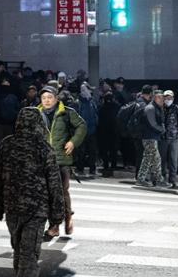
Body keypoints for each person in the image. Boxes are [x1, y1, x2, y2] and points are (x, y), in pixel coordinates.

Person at [0, 107, 64, 277]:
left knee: (20, 251)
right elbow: (54, 184)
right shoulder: (44, 148)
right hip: (36, 210)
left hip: (12, 209)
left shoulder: (7, 145)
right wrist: (57, 217)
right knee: (29, 255)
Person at [37, 85, 87, 238]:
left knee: (61, 193)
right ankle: (54, 226)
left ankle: (67, 217)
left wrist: (73, 142)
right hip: (43, 161)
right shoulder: (35, 114)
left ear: (56, 98)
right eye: (44, 98)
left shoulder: (66, 113)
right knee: (46, 195)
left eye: (49, 97)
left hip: (62, 160)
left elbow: (82, 126)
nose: (46, 101)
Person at [138, 90, 167, 187]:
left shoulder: (157, 108)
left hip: (152, 137)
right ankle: (159, 180)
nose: (163, 99)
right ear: (155, 97)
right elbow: (153, 124)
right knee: (156, 159)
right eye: (160, 97)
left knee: (147, 158)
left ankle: (141, 178)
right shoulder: (150, 108)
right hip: (149, 137)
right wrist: (162, 129)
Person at [160, 90, 178, 188]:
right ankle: (161, 179)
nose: (168, 99)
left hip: (174, 138)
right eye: (166, 98)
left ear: (173, 98)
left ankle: (172, 180)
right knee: (162, 160)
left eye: (170, 98)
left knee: (173, 160)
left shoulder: (177, 108)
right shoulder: (160, 108)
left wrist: (177, 131)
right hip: (163, 138)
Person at [77, 82, 98, 177]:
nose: (89, 91)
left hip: (92, 130)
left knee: (92, 151)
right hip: (81, 131)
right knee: (81, 151)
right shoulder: (78, 102)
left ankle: (92, 169)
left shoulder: (92, 101)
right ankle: (80, 168)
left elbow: (95, 115)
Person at [98, 91, 120, 177]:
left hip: (103, 132)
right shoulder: (117, 107)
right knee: (113, 149)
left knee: (104, 150)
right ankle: (113, 165)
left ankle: (106, 165)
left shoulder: (102, 107)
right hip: (114, 131)